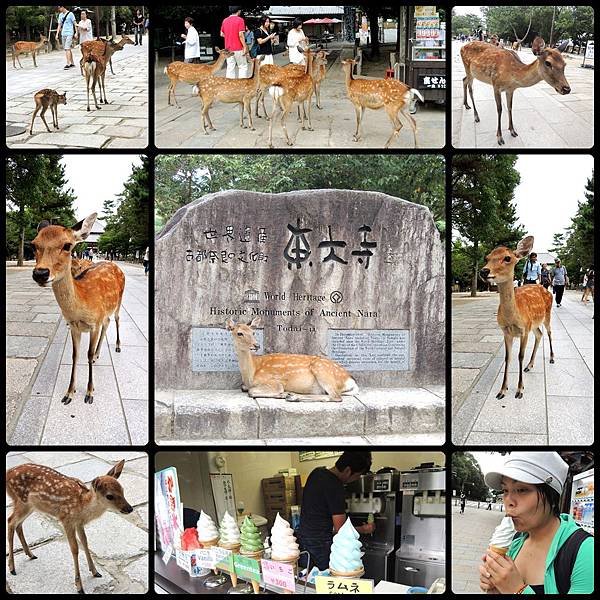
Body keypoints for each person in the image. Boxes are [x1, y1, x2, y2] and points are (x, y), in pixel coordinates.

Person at [480, 452, 593, 594]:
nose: (509, 501)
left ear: (552, 496)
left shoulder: (586, 552)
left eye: (521, 490)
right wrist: (496, 589)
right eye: (505, 490)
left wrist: (517, 590)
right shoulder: (516, 541)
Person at [297, 452, 374, 570]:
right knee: (326, 581)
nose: (356, 479)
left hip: (303, 540)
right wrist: (364, 529)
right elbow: (341, 531)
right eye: (357, 476)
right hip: (320, 545)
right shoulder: (335, 486)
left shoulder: (316, 473)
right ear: (348, 471)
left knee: (309, 580)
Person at [220, 6, 248, 78]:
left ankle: (230, 87)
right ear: (238, 11)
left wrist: (230, 37)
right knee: (242, 66)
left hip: (228, 49)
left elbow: (222, 34)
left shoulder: (225, 20)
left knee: (230, 67)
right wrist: (245, 46)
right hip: (238, 47)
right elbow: (241, 35)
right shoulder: (240, 20)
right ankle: (241, 86)